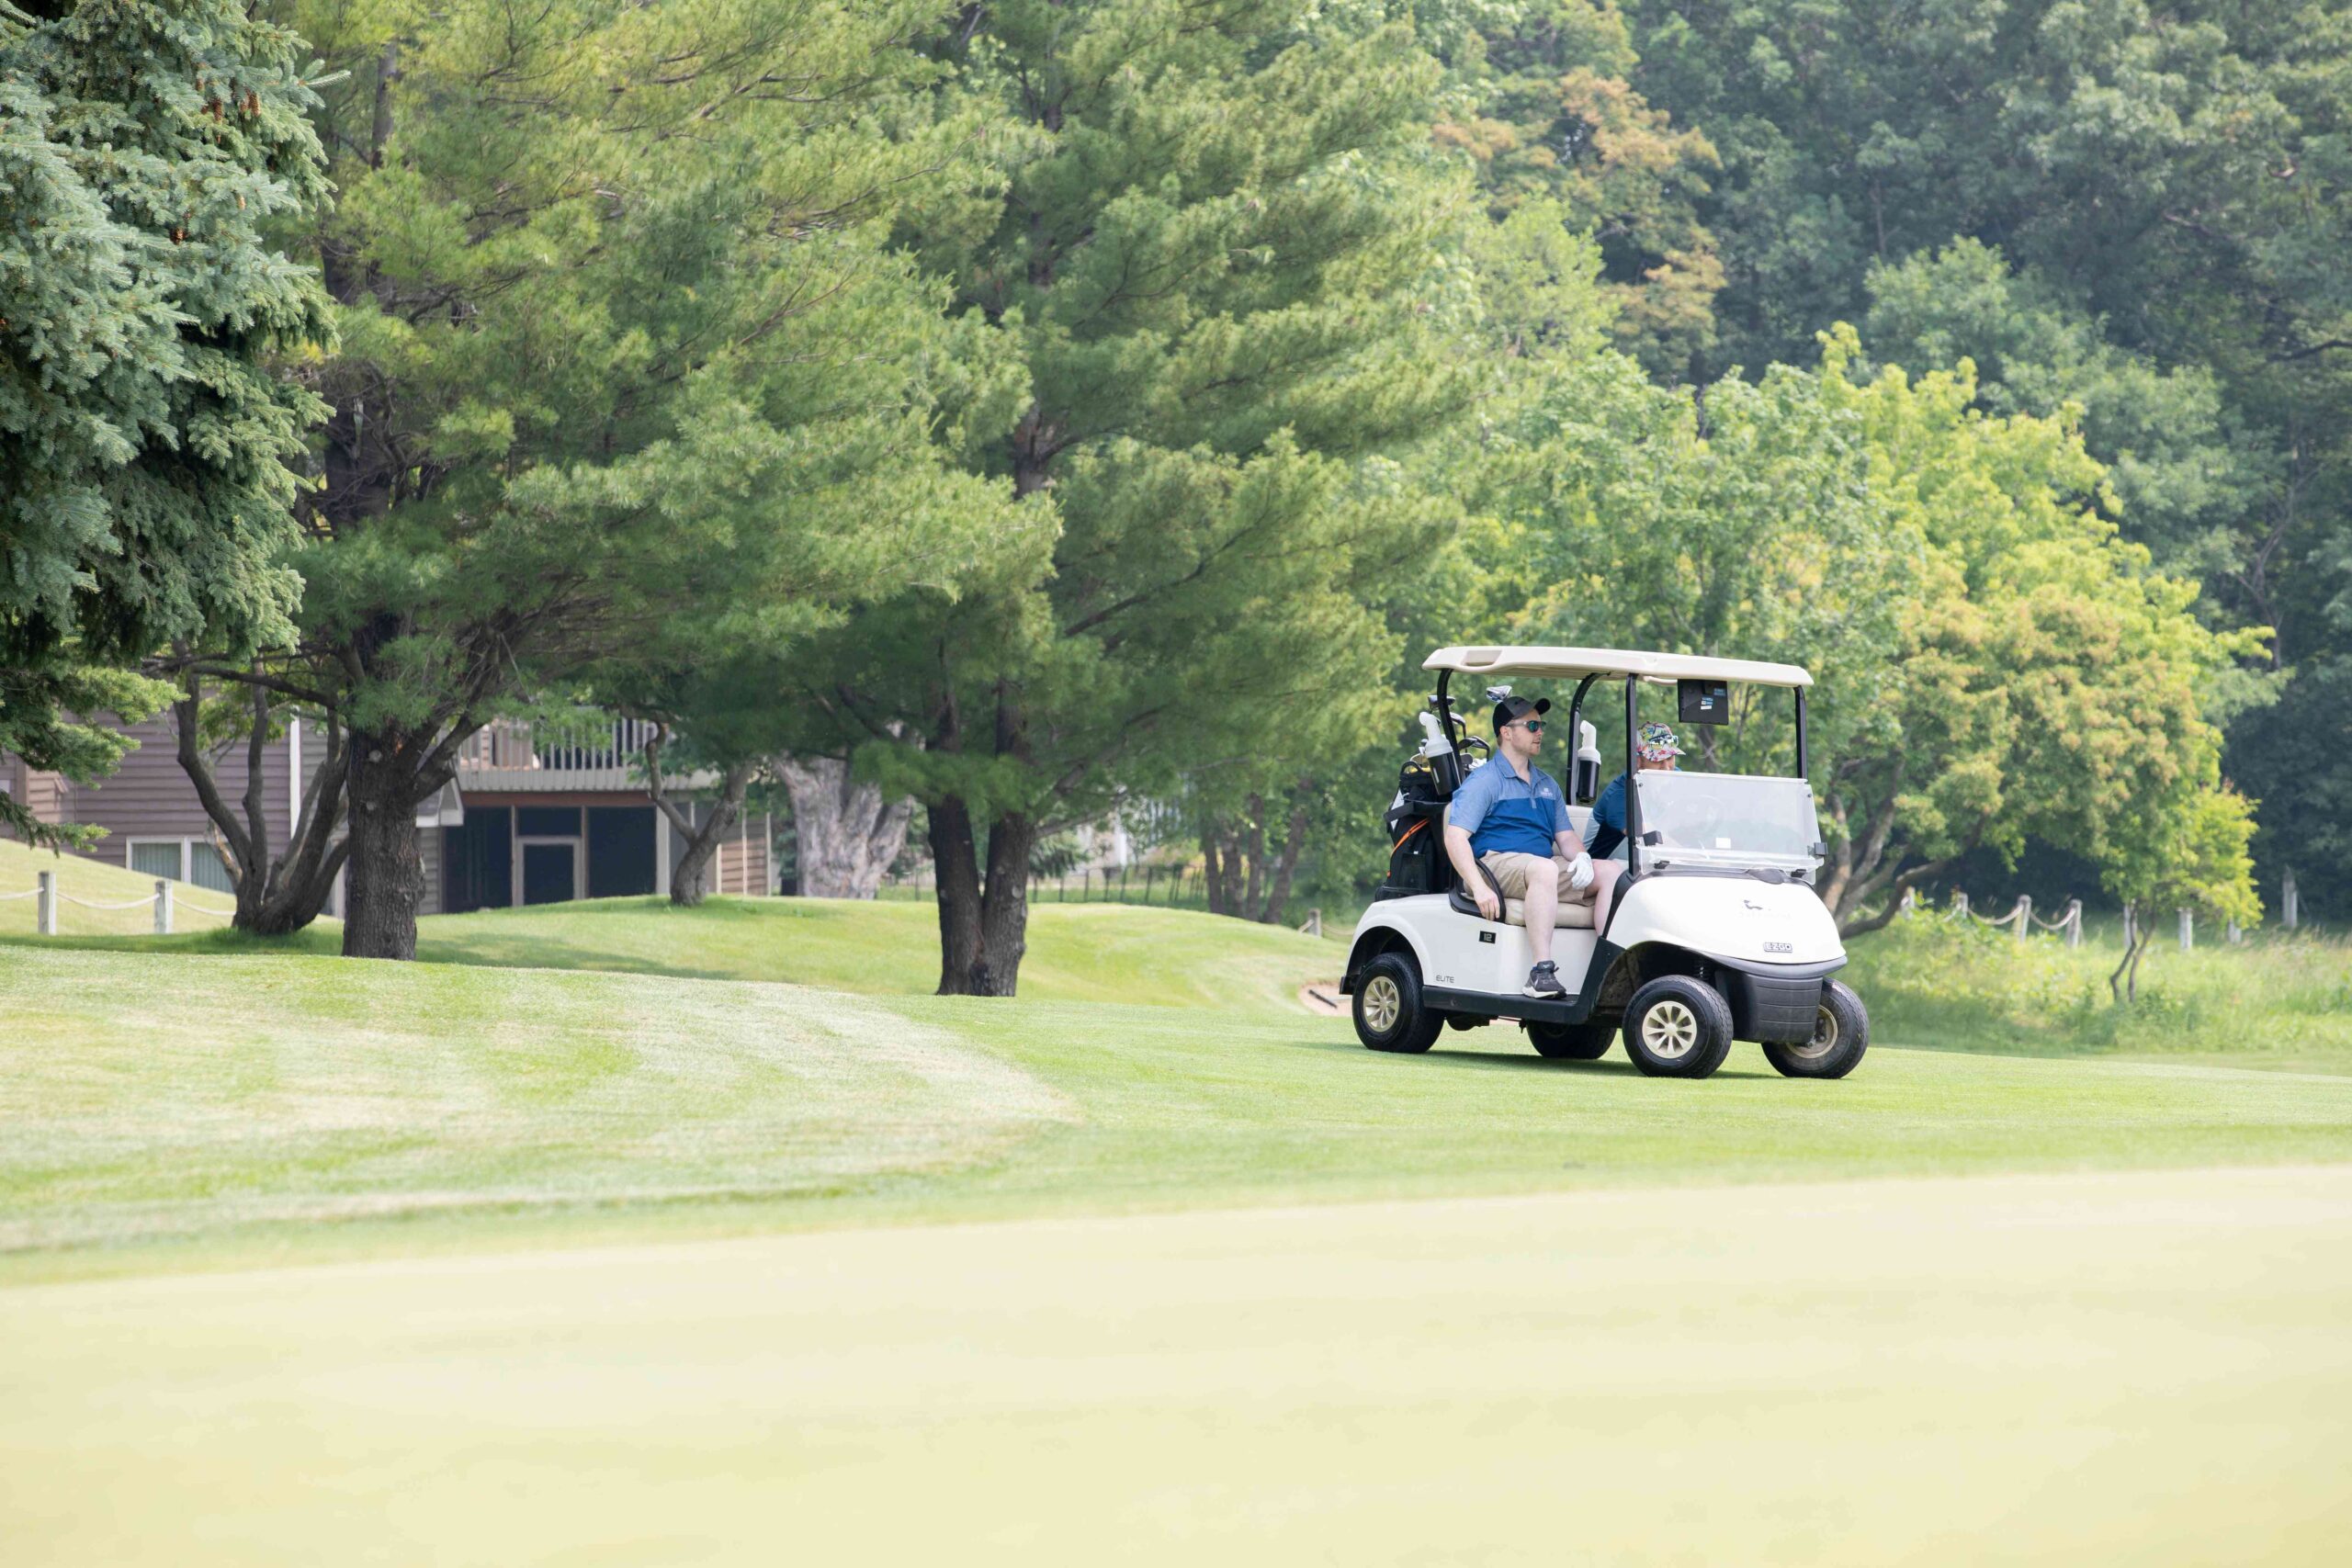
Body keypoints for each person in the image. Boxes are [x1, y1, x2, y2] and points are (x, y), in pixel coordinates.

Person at [1442, 694, 1598, 998]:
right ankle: (1541, 973)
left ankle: (1609, 969)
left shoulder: (1547, 784)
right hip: (1494, 865)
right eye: (1532, 726)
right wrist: (1479, 888)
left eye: (1541, 725)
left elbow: (1565, 837)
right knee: (1543, 869)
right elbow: (1455, 837)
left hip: (1536, 870)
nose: (1540, 732)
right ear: (1507, 732)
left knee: (1611, 874)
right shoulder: (1485, 781)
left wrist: (1584, 858)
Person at [1579, 721, 1681, 929]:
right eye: (1658, 760)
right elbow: (1649, 837)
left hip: (1644, 864)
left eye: (1670, 758)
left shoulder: (1674, 779)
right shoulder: (1620, 795)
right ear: (1638, 761)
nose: (1667, 768)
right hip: (1604, 867)